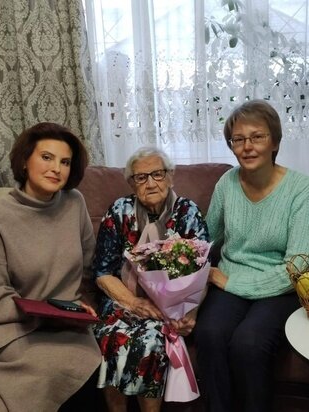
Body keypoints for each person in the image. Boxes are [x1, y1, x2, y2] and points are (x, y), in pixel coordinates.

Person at [0, 122, 101, 411]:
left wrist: (81, 305)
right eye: (46, 157)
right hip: (9, 324)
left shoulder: (75, 203)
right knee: (53, 367)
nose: (56, 169)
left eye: (65, 162)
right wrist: (44, 311)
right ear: (25, 161)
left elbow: (89, 265)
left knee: (92, 364)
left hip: (64, 318)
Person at [194, 100, 309, 412]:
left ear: (274, 142)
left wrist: (231, 282)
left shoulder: (300, 188)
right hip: (230, 279)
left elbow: (298, 266)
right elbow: (205, 240)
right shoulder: (227, 183)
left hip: (280, 287)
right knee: (209, 333)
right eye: (238, 139)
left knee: (248, 344)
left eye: (257, 137)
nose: (247, 146)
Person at [92, 146, 209, 412]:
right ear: (132, 183)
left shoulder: (187, 212)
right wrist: (133, 302)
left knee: (150, 342)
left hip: (171, 307)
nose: (151, 183)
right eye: (141, 177)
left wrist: (190, 313)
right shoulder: (119, 211)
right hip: (124, 299)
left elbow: (203, 271)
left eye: (157, 174)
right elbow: (102, 272)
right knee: (110, 338)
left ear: (170, 176)